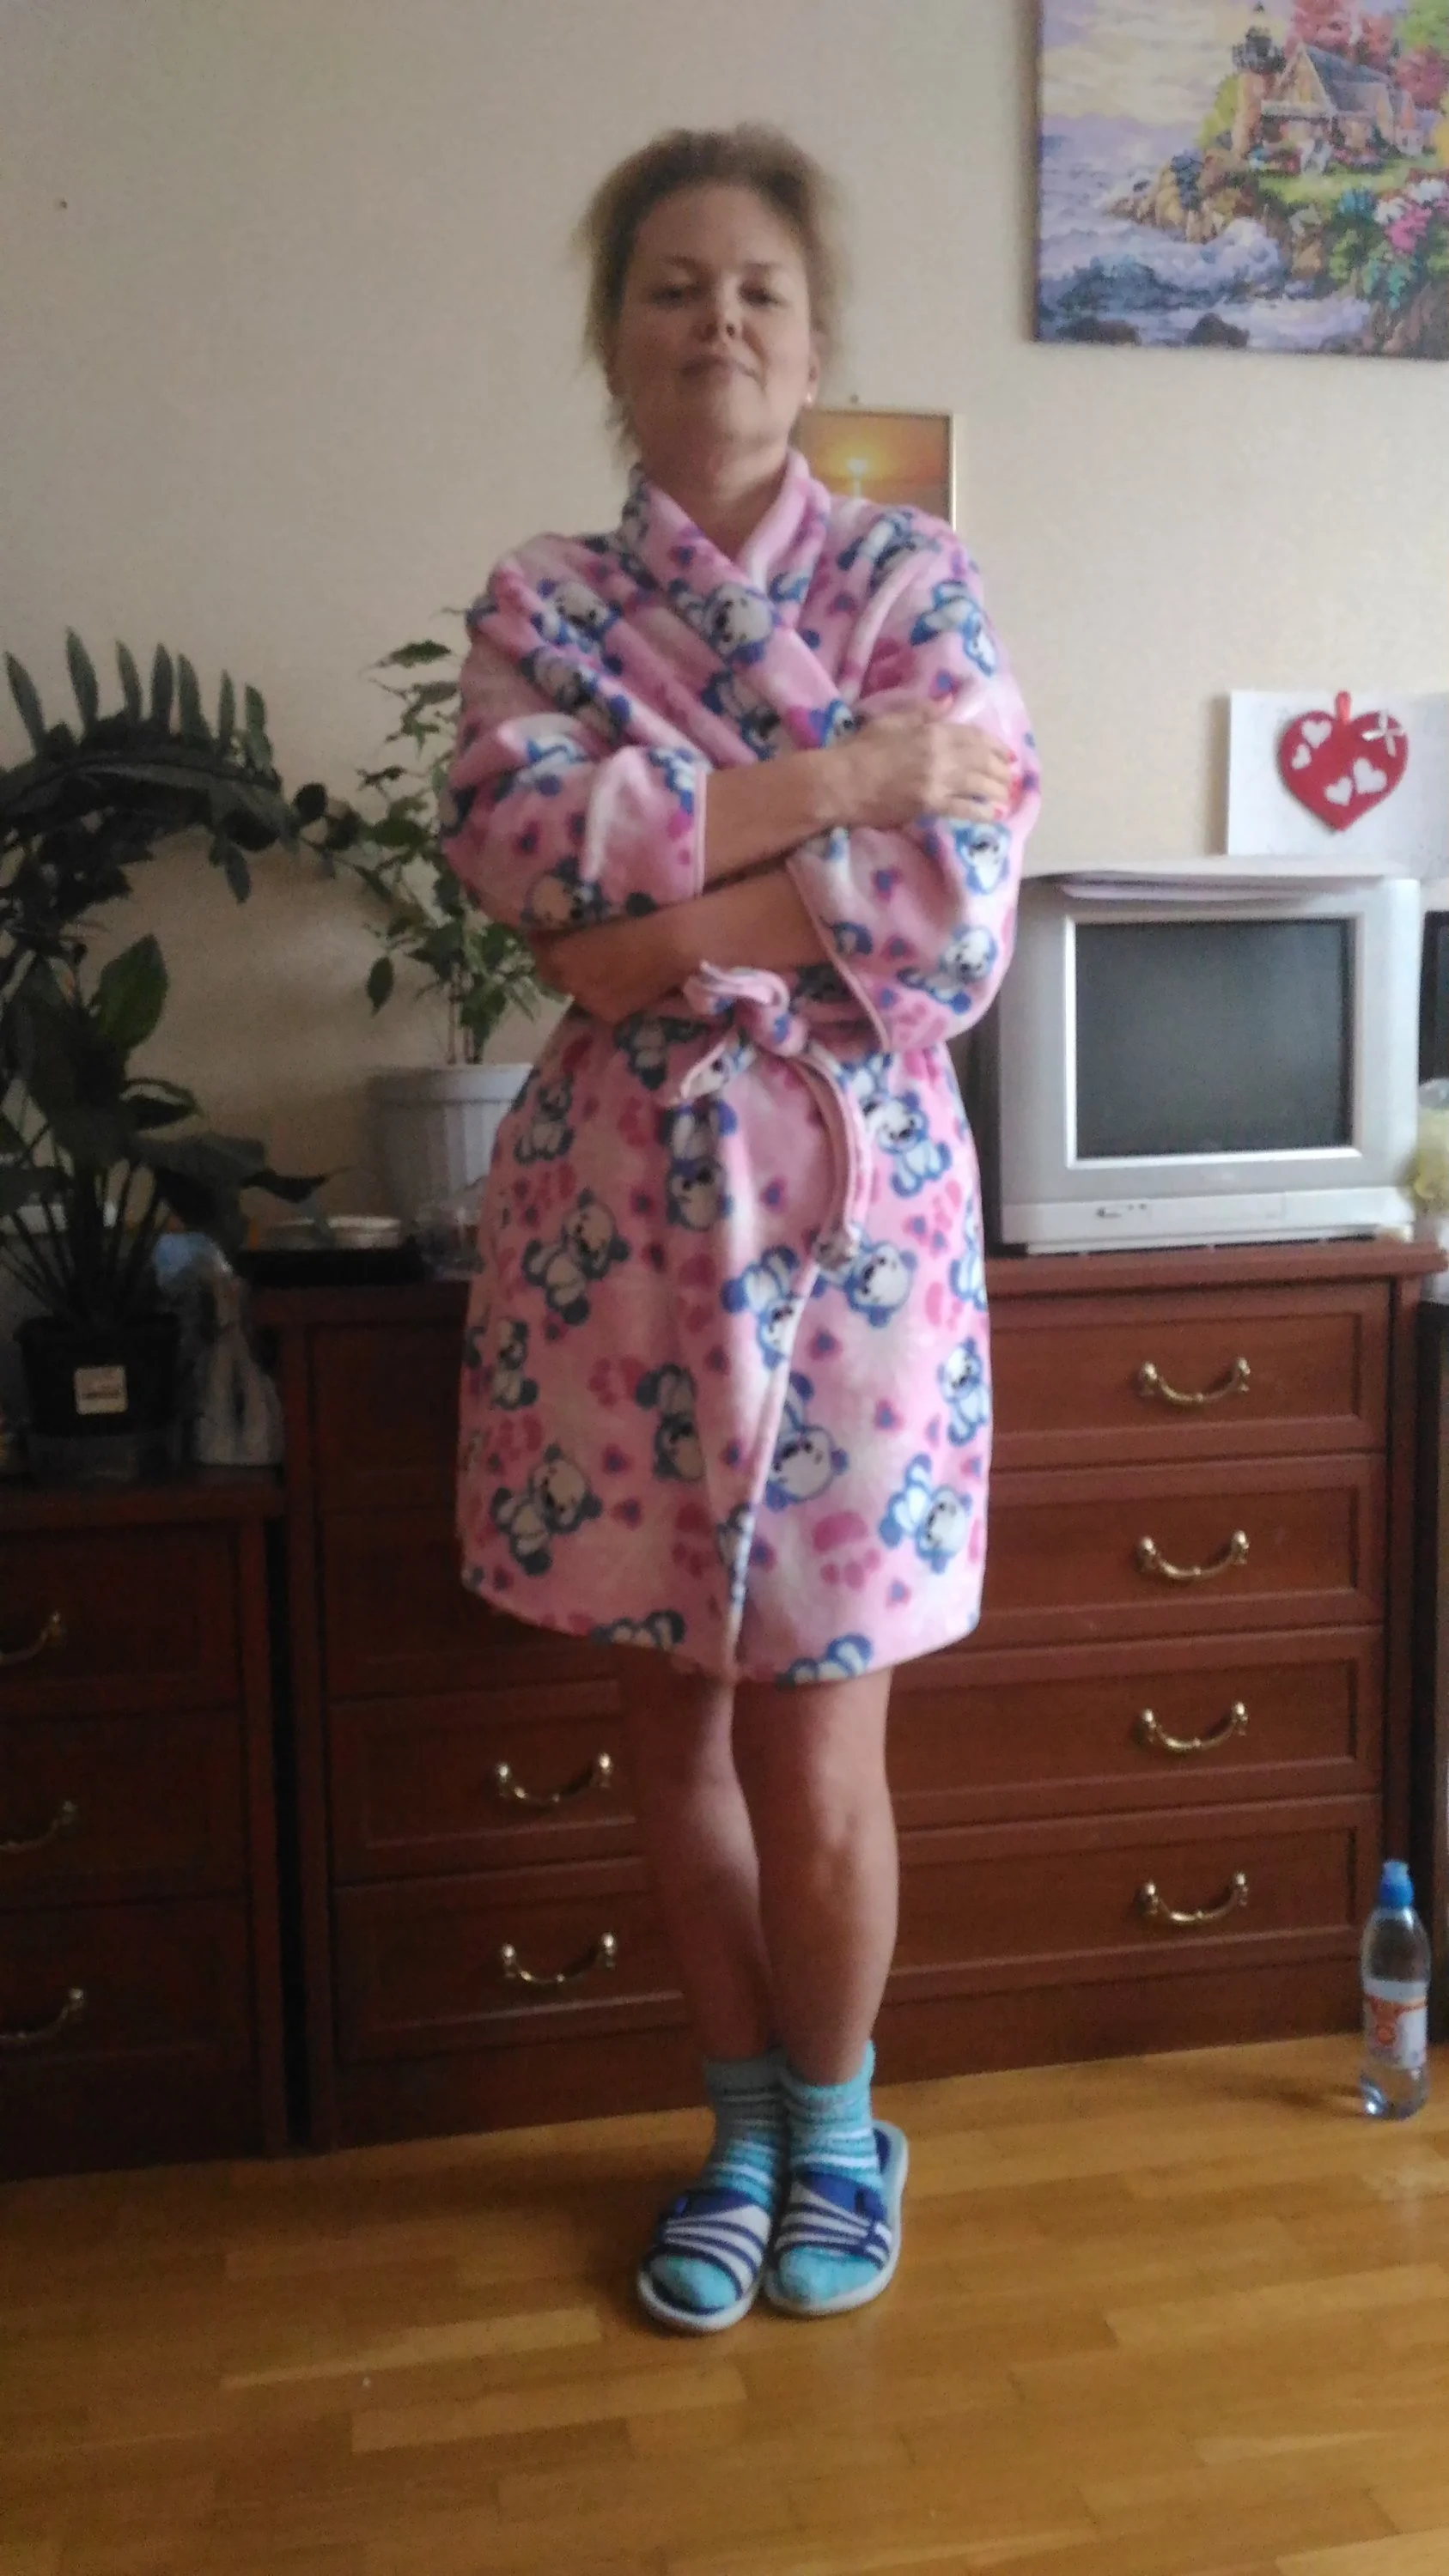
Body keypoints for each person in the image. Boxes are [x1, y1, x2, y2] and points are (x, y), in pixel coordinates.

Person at [441, 125, 1040, 2334]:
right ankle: (739, 2131)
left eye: (759, 290)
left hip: (854, 1226)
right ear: (616, 337)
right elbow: (523, 850)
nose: (719, 322)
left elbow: (952, 906)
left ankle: (843, 2121)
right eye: (674, 286)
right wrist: (839, 789)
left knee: (820, 1732)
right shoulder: (540, 603)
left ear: (813, 339)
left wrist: (663, 909)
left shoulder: (916, 583)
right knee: (673, 1725)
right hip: (621, 1230)